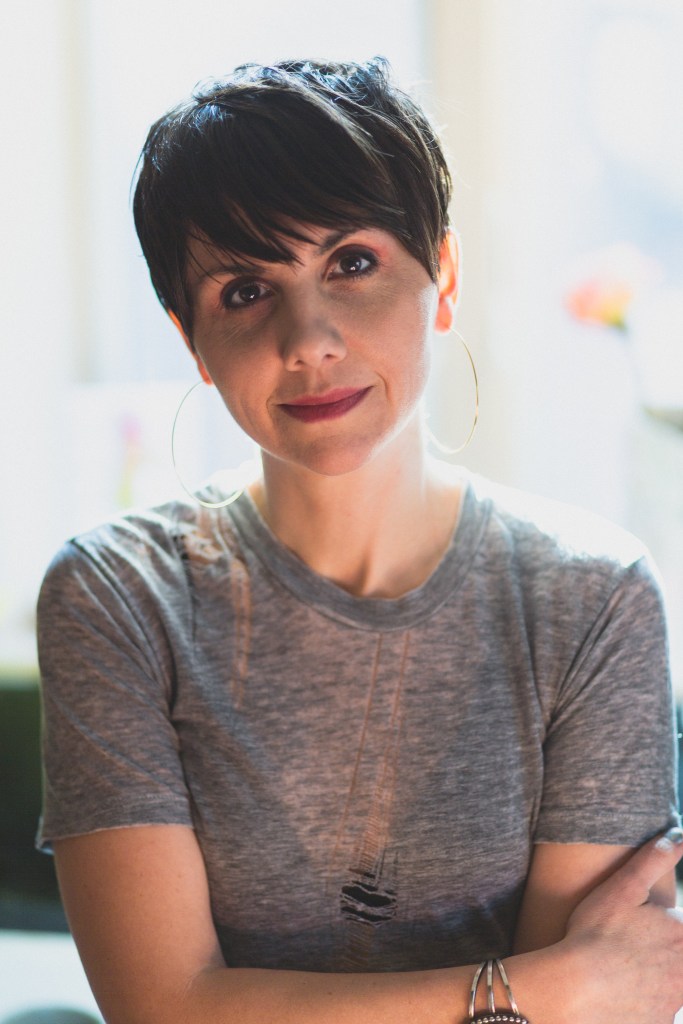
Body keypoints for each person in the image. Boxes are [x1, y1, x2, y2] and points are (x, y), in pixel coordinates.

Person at [37, 58, 683, 1023]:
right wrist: (528, 990)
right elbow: (162, 1009)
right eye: (244, 291)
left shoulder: (593, 596)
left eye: (350, 262)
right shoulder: (117, 594)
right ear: (189, 340)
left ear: (443, 276)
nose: (309, 339)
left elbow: (603, 1012)